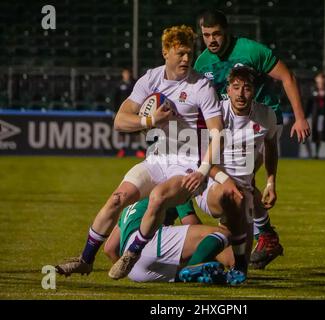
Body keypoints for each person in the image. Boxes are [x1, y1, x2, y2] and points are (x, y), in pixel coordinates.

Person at [55, 25, 227, 280]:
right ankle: (85, 259)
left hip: (187, 164)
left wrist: (203, 171)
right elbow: (119, 121)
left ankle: (131, 254)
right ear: (165, 52)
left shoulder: (201, 85)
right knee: (117, 198)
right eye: (180, 53)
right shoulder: (150, 79)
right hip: (157, 159)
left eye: (189, 53)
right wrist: (149, 121)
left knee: (158, 197)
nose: (186, 59)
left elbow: (217, 132)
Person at [194, 10, 303, 268]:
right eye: (206, 35)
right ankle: (260, 235)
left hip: (260, 122)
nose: (212, 40)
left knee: (240, 183)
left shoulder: (250, 50)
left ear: (227, 31)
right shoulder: (201, 63)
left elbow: (287, 76)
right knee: (237, 184)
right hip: (231, 123)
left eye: (217, 34)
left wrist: (300, 117)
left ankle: (253, 235)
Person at [194, 66, 279, 275]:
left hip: (244, 192)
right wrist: (227, 182)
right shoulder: (215, 113)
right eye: (236, 87)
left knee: (237, 266)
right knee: (230, 196)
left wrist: (270, 182)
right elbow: (202, 161)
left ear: (254, 90)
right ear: (228, 90)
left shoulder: (266, 115)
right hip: (213, 186)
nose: (241, 93)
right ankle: (189, 266)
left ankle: (200, 259)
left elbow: (270, 148)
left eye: (247, 88)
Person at [103, 199, 245, 285]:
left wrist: (128, 269)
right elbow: (190, 222)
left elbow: (109, 249)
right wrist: (210, 248)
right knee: (222, 234)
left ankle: (210, 274)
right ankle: (194, 267)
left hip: (135, 272)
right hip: (150, 242)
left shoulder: (130, 207)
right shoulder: (172, 183)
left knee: (187, 269)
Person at [113, 68, 144, 158]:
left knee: (135, 131)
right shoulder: (119, 85)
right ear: (123, 74)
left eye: (128, 73)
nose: (126, 75)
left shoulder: (134, 84)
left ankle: (137, 150)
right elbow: (115, 99)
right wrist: (115, 111)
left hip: (133, 111)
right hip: (122, 112)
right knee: (122, 131)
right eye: (125, 73)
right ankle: (122, 150)